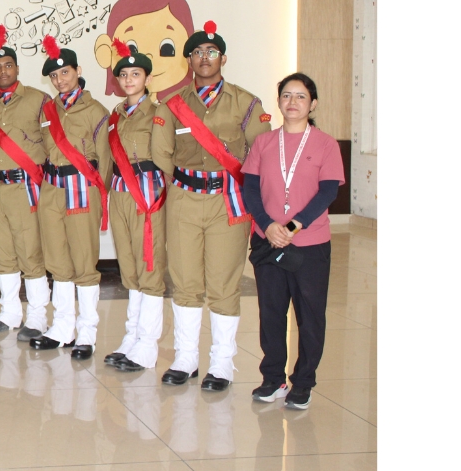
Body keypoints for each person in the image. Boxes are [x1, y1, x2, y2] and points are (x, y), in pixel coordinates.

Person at [152, 21, 271, 391]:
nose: (205, 58)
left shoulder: (246, 103)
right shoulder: (172, 105)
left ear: (223, 58)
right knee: (185, 280)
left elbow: (261, 153)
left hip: (228, 201)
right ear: (188, 60)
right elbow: (161, 153)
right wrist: (185, 183)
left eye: (212, 52)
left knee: (223, 282)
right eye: (198, 53)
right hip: (184, 199)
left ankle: (221, 363)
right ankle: (186, 358)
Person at [242, 73, 344, 410]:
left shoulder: (326, 144)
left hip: (309, 243)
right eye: (287, 95)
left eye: (301, 96)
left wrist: (294, 225)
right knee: (271, 312)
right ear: (279, 101)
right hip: (269, 240)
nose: (293, 102)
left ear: (313, 104)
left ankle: (303, 382)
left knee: (310, 315)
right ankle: (273, 378)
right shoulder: (264, 143)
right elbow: (251, 189)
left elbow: (327, 191)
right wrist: (268, 225)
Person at [29, 37, 110, 358]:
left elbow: (104, 160)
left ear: (78, 71)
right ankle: (62, 327)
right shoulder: (47, 111)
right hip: (51, 191)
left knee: (84, 262)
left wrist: (98, 197)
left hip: (82, 190)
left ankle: (87, 332)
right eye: (54, 76)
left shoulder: (96, 111)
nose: (60, 80)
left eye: (65, 72)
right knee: (57, 262)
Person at [0, 25, 50, 338]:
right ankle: (9, 313)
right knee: (3, 252)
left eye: (8, 65)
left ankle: (37, 316)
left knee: (30, 252)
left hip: (25, 186)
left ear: (17, 69)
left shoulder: (39, 99)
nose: (3, 71)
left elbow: (52, 142)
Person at [98, 39, 168, 372]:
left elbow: (167, 156)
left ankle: (148, 344)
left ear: (147, 79)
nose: (128, 80)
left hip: (147, 194)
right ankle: (132, 336)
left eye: (135, 74)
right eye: (123, 75)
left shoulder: (159, 113)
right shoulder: (116, 114)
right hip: (120, 193)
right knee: (128, 266)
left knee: (148, 266)